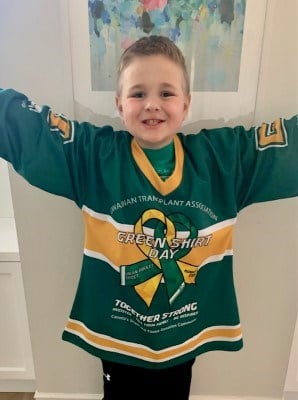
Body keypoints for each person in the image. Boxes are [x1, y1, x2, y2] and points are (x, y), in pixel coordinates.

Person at [0, 35, 297, 400]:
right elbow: (24, 129)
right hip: (118, 334)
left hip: (184, 334)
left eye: (167, 93)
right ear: (120, 105)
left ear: (186, 105)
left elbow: (287, 149)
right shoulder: (94, 158)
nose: (152, 104)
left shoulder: (223, 161)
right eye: (138, 93)